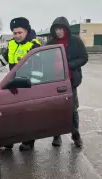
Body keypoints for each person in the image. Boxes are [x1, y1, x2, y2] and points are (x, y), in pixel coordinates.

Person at [20, 16, 88, 150]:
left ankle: (76, 135)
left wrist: (69, 65)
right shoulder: (50, 43)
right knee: (55, 109)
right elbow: (43, 61)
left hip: (70, 82)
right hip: (54, 82)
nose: (58, 32)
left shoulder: (75, 41)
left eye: (61, 29)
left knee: (72, 110)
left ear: (66, 29)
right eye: (56, 29)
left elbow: (84, 57)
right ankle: (57, 136)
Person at [0, 17, 41, 150]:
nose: (17, 35)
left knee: (27, 116)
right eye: (15, 33)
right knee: (13, 114)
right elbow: (4, 59)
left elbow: (38, 70)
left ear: (27, 31)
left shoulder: (34, 46)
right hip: (14, 85)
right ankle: (11, 139)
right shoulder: (12, 44)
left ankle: (28, 141)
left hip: (28, 85)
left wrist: (33, 87)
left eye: (20, 32)